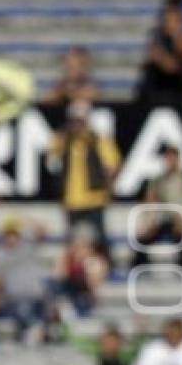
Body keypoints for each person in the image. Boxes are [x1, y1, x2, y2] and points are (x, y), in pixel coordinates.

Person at [47, 100, 120, 259]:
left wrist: (108, 187)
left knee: (99, 236)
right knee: (72, 238)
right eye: (74, 120)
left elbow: (113, 165)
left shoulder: (98, 140)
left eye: (80, 120)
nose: (77, 125)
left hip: (94, 197)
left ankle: (106, 263)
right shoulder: (64, 140)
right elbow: (51, 156)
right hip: (71, 198)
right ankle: (74, 268)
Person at [132, 143, 182, 271]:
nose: (169, 161)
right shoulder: (159, 180)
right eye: (167, 158)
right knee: (143, 238)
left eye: (172, 157)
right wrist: (150, 221)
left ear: (178, 158)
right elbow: (150, 200)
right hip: (168, 219)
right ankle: (140, 269)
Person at [136, 0, 182, 105]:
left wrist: (175, 34)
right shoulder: (157, 33)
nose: (169, 21)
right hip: (162, 77)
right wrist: (165, 61)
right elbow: (157, 57)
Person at [53, 223, 109, 316]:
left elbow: (94, 285)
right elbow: (58, 276)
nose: (80, 248)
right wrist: (68, 261)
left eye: (84, 245)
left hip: (87, 299)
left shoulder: (96, 261)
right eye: (77, 244)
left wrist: (84, 265)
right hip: (69, 298)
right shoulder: (67, 258)